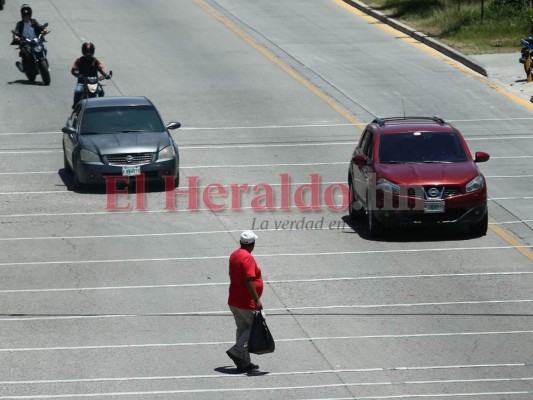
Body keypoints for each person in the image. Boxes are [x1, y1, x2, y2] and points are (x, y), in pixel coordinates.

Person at [226, 230, 263, 372]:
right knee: (256, 326)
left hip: (234, 299)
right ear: (252, 244)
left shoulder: (235, 254)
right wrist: (256, 300)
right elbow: (249, 280)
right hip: (245, 302)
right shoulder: (247, 258)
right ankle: (236, 351)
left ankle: (244, 362)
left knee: (242, 330)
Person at [71, 41, 111, 108]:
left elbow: (101, 68)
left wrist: (106, 75)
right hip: (82, 82)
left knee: (101, 92)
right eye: (86, 51)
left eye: (90, 51)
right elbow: (73, 69)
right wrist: (77, 74)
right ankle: (75, 106)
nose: (88, 53)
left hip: (94, 82)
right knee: (78, 92)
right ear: (83, 51)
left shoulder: (95, 61)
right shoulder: (79, 60)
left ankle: (101, 105)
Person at [12, 4, 49, 73]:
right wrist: (16, 37)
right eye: (25, 16)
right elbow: (16, 32)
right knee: (24, 52)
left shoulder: (33, 21)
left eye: (28, 15)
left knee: (44, 48)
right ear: (22, 16)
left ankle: (44, 63)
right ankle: (24, 66)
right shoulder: (20, 24)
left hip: (35, 41)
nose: (26, 17)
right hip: (26, 43)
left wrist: (44, 29)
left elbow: (40, 27)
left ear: (30, 15)